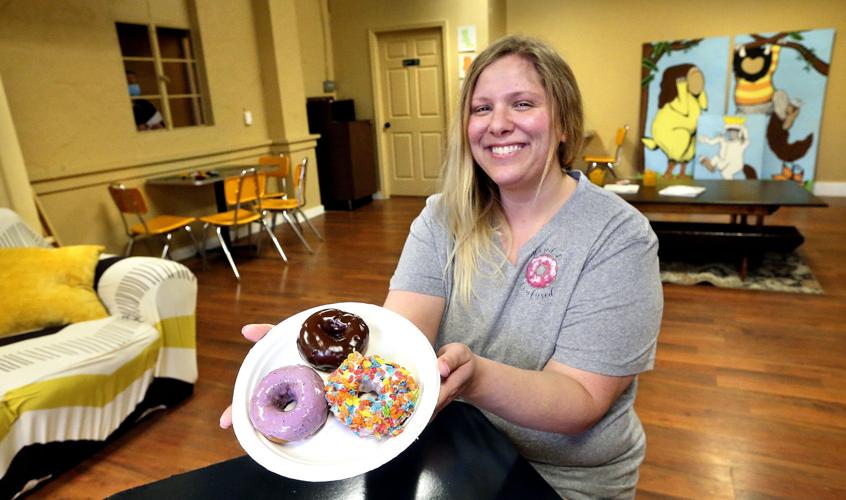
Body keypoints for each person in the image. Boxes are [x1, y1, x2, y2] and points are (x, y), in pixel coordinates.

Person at [220, 35, 662, 499]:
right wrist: (320, 371)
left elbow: (581, 400)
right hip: (446, 447)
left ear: (565, 123)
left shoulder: (617, 238)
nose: (499, 124)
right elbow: (403, 337)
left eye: (523, 103)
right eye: (481, 109)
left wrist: (476, 378)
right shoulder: (442, 217)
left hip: (563, 477)